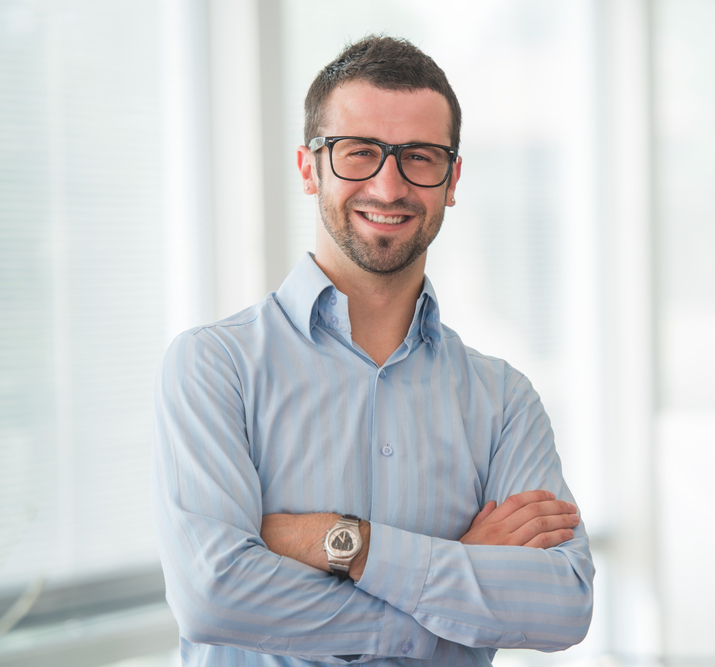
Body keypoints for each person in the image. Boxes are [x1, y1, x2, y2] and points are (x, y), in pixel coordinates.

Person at [152, 35, 594, 666]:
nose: (388, 188)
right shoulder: (214, 368)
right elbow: (215, 597)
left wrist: (345, 542)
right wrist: (455, 584)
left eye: (419, 157)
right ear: (309, 168)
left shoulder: (503, 401)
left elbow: (563, 604)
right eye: (359, 152)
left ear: (452, 179)